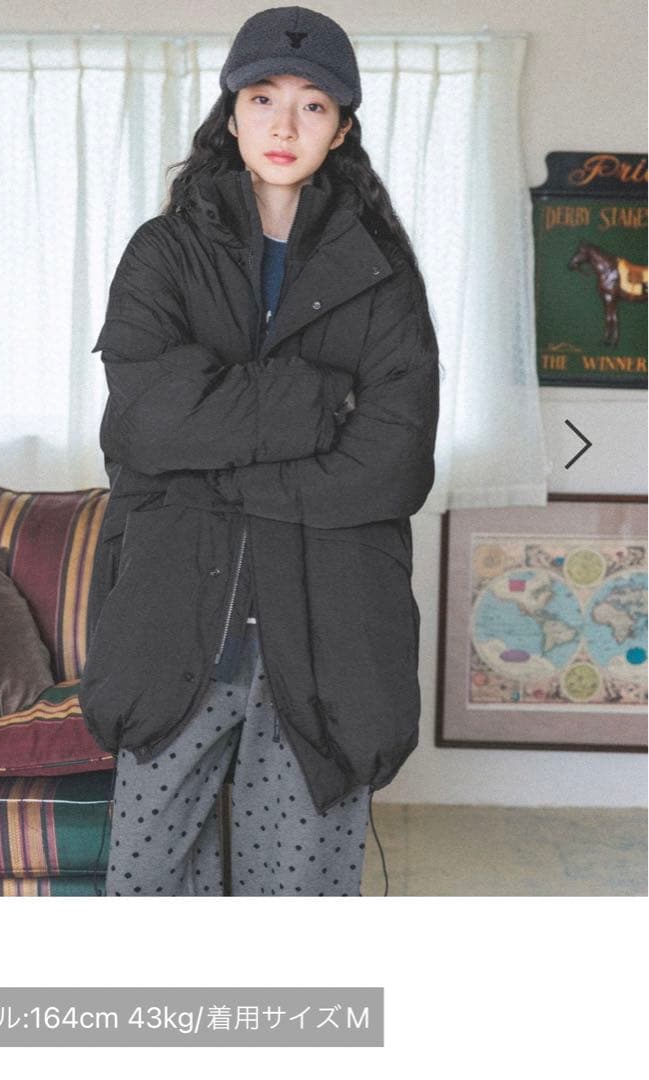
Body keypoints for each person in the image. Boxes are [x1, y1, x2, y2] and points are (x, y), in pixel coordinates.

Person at [79, 5, 441, 897]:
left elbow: (392, 465)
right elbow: (147, 422)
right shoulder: (162, 254)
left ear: (342, 128)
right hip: (173, 618)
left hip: (329, 633)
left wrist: (208, 463)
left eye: (313, 105)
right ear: (231, 112)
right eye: (263, 98)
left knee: (299, 901)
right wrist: (319, 402)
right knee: (149, 891)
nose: (285, 125)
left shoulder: (384, 274)